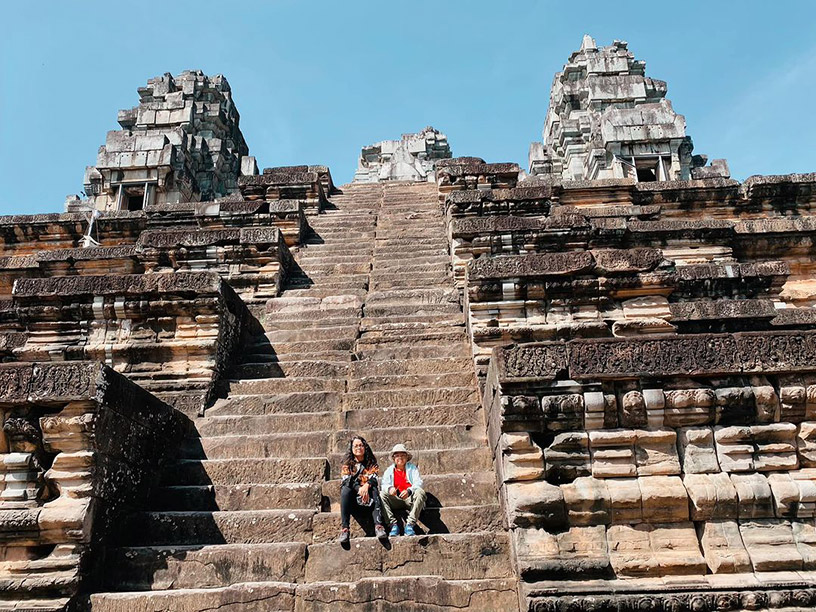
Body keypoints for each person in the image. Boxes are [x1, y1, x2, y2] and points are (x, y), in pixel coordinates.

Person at [339, 436, 387, 543]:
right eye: (355, 446)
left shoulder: (371, 462)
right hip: (353, 502)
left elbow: (374, 477)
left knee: (373, 487)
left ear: (365, 447)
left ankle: (378, 526)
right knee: (345, 489)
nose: (358, 448)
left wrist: (366, 486)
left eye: (361, 445)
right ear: (351, 448)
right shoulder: (347, 464)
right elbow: (346, 479)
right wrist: (359, 489)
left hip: (368, 500)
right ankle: (345, 529)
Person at [380, 443, 426, 536]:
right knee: (381, 494)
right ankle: (392, 524)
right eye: (397, 455)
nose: (400, 458)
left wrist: (409, 491)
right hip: (395, 499)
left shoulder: (412, 468)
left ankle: (410, 524)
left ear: (406, 457)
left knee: (421, 492)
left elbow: (418, 483)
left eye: (402, 455)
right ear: (393, 458)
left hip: (409, 499)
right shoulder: (389, 470)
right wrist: (390, 489)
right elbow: (384, 485)